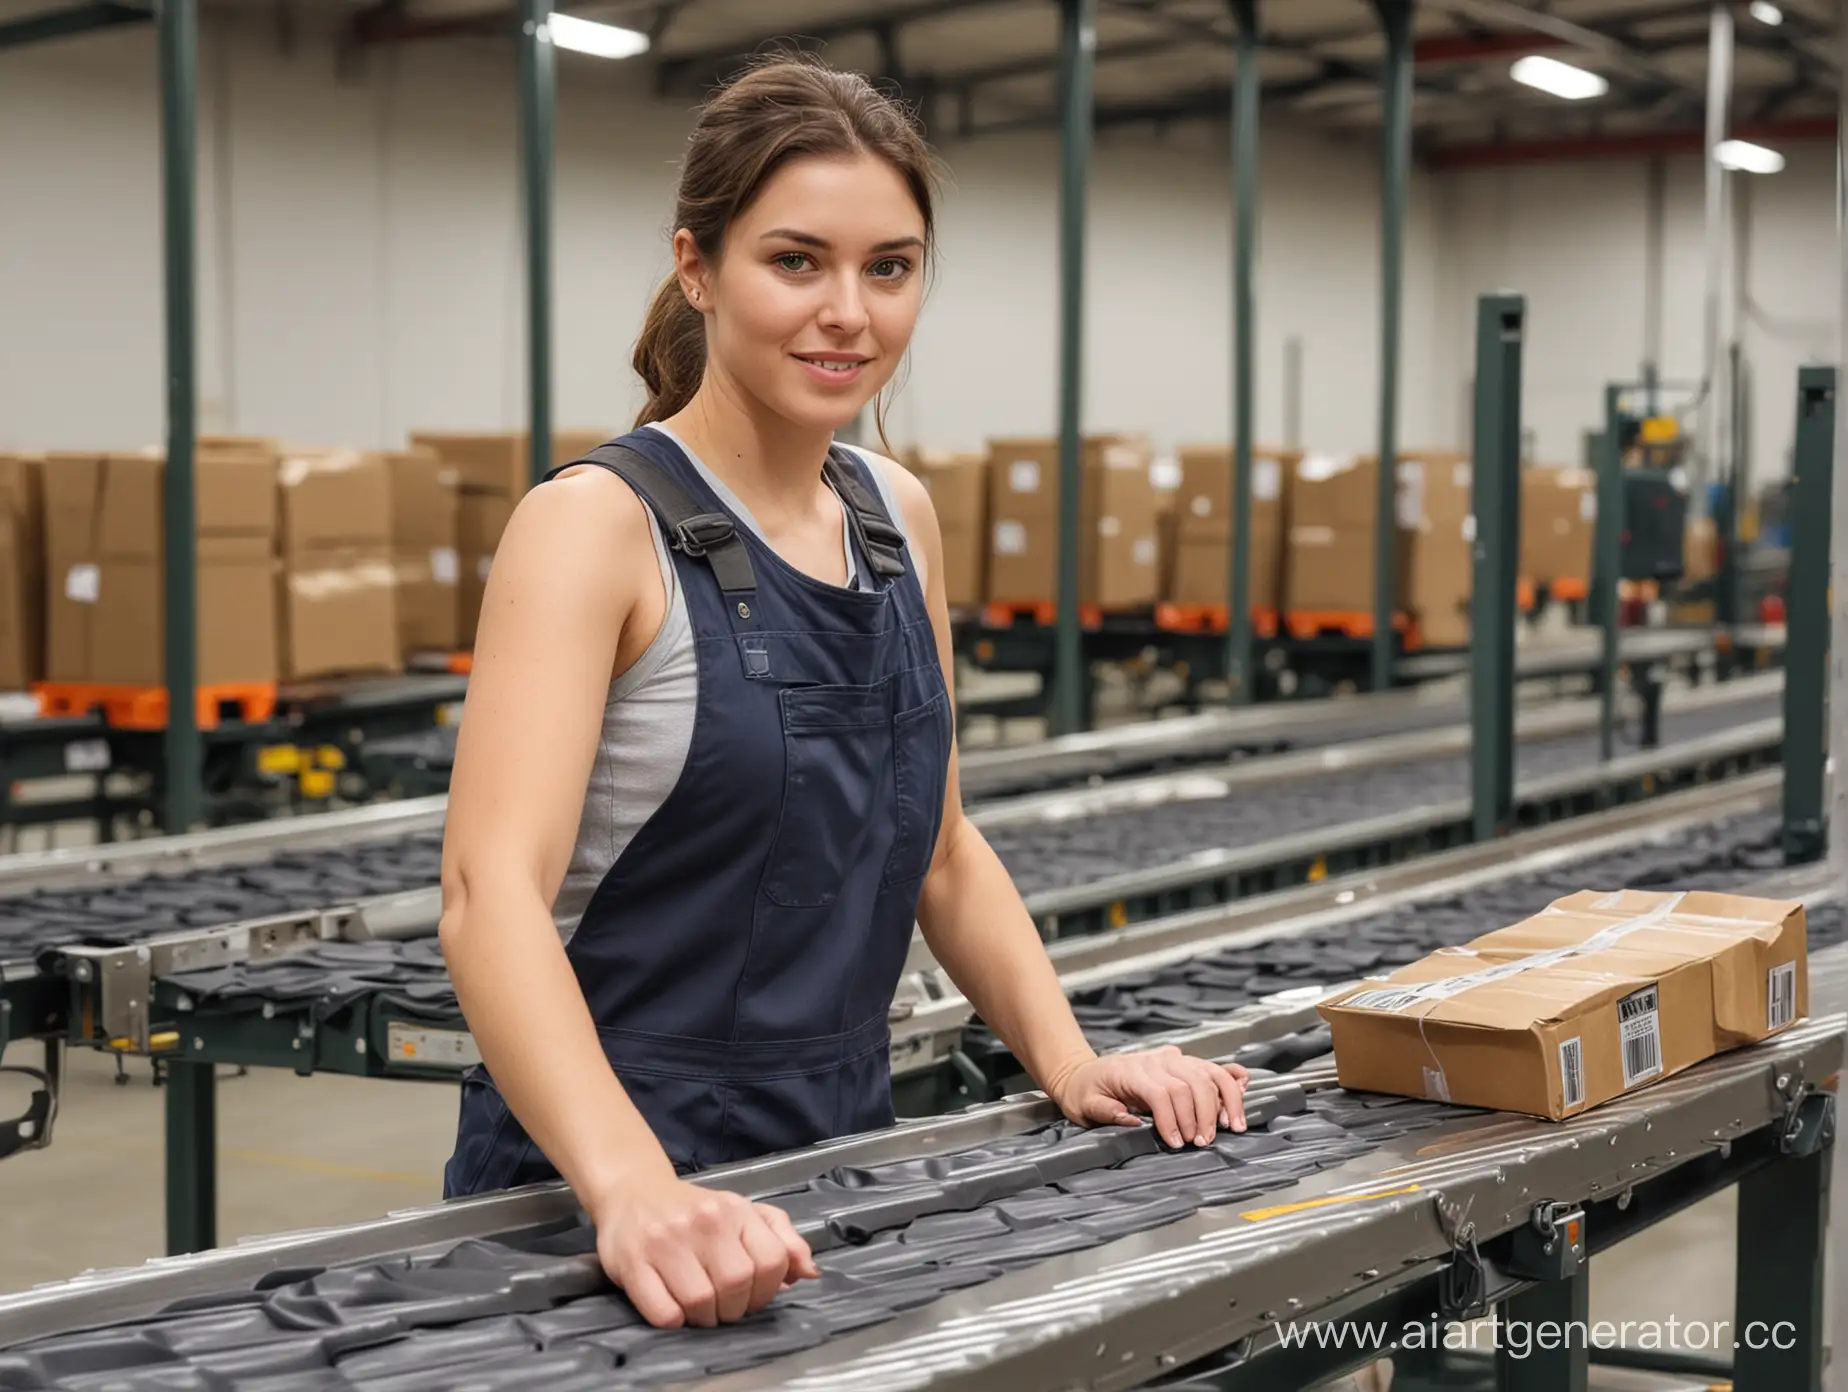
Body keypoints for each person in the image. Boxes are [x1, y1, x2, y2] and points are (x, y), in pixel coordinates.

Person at [436, 54, 1249, 1335]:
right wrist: (636, 1191)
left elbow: (943, 851)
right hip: (594, 1194)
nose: (849, 314)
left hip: (836, 1165)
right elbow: (489, 899)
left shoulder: (893, 516)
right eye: (797, 261)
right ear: (697, 267)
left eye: (891, 267)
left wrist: (1074, 1058)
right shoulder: (593, 527)